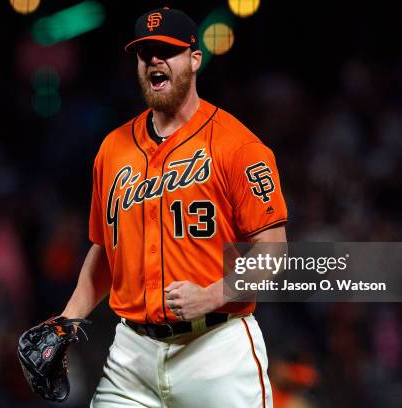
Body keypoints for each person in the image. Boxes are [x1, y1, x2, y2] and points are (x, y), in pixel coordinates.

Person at [60, 7, 288, 407]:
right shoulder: (112, 150)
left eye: (167, 50)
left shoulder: (239, 146)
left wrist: (212, 295)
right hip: (131, 354)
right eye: (145, 53)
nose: (154, 60)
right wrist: (68, 320)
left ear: (195, 59)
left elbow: (274, 252)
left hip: (215, 347)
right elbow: (105, 250)